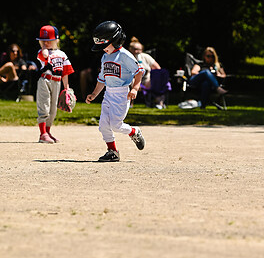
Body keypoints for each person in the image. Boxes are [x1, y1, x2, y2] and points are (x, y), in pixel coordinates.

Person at [85, 21, 146, 162]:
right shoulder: (105, 56)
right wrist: (94, 94)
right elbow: (102, 79)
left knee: (116, 125)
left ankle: (134, 131)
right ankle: (112, 152)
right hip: (108, 94)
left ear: (116, 40)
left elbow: (139, 72)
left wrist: (135, 88)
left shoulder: (124, 55)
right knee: (103, 125)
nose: (102, 49)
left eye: (104, 45)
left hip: (121, 94)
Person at [36, 25, 74, 143]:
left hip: (57, 82)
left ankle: (47, 132)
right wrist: (43, 47)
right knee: (44, 107)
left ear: (56, 40)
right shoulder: (41, 52)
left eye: (49, 41)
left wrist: (66, 88)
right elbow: (45, 56)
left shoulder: (62, 54)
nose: (46, 43)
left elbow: (65, 72)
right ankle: (42, 134)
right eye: (43, 41)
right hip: (45, 81)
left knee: (53, 110)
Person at [128, 36, 168, 109]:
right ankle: (129, 103)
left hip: (146, 78)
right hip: (132, 78)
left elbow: (157, 68)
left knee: (157, 82)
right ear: (130, 49)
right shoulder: (127, 57)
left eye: (139, 49)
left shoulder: (145, 56)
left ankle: (159, 103)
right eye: (135, 49)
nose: (137, 51)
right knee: (130, 82)